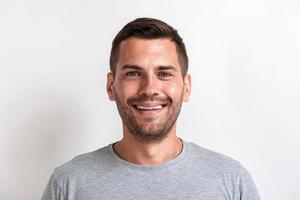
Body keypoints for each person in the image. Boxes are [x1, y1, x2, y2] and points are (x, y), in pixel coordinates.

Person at [42, 17, 260, 200]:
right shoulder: (68, 184)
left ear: (186, 88)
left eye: (164, 73)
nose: (149, 89)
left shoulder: (232, 182)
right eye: (133, 73)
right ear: (111, 87)